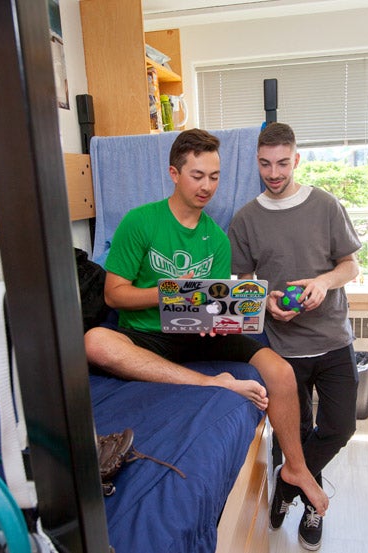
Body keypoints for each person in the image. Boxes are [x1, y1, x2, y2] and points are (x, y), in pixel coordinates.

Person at [83, 128, 328, 515]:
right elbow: (115, 294)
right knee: (95, 341)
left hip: (197, 335)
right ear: (174, 173)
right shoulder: (140, 222)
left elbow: (210, 306)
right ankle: (213, 383)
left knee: (280, 372)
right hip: (148, 333)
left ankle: (296, 469)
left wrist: (237, 312)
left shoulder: (216, 238)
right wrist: (170, 292)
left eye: (214, 177)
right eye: (197, 175)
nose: (207, 186)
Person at [228, 122, 361, 551]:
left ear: (296, 159)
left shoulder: (324, 204)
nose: (274, 172)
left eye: (282, 162)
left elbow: (351, 266)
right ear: (257, 162)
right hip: (284, 347)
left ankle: (287, 485)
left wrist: (324, 282)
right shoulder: (247, 217)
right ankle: (311, 508)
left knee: (339, 428)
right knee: (298, 432)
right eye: (265, 164)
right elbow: (242, 278)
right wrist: (264, 302)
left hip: (334, 339)